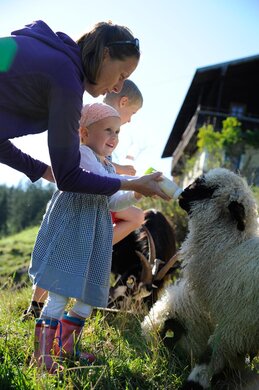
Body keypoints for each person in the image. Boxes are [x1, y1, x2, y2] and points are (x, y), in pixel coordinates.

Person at [29, 102, 145, 373]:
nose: (114, 137)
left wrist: (137, 192)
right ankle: (41, 356)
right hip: (72, 232)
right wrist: (131, 182)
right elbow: (98, 184)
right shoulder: (81, 155)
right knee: (59, 293)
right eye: (108, 130)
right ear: (83, 133)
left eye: (117, 132)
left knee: (87, 297)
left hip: (92, 236)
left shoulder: (106, 165)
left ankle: (65, 346)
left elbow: (114, 200)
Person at [0, 20, 168, 198]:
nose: (118, 88)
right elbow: (68, 178)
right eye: (121, 76)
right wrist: (133, 184)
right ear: (105, 55)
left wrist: (43, 171)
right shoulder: (66, 81)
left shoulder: (50, 54)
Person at [22, 79, 146, 319]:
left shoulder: (105, 146)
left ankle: (89, 250)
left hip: (96, 204)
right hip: (78, 205)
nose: (130, 120)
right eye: (133, 113)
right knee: (59, 278)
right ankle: (39, 317)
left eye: (117, 131)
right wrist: (127, 176)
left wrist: (133, 187)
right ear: (123, 102)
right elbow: (89, 165)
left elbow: (107, 183)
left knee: (136, 216)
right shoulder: (90, 125)